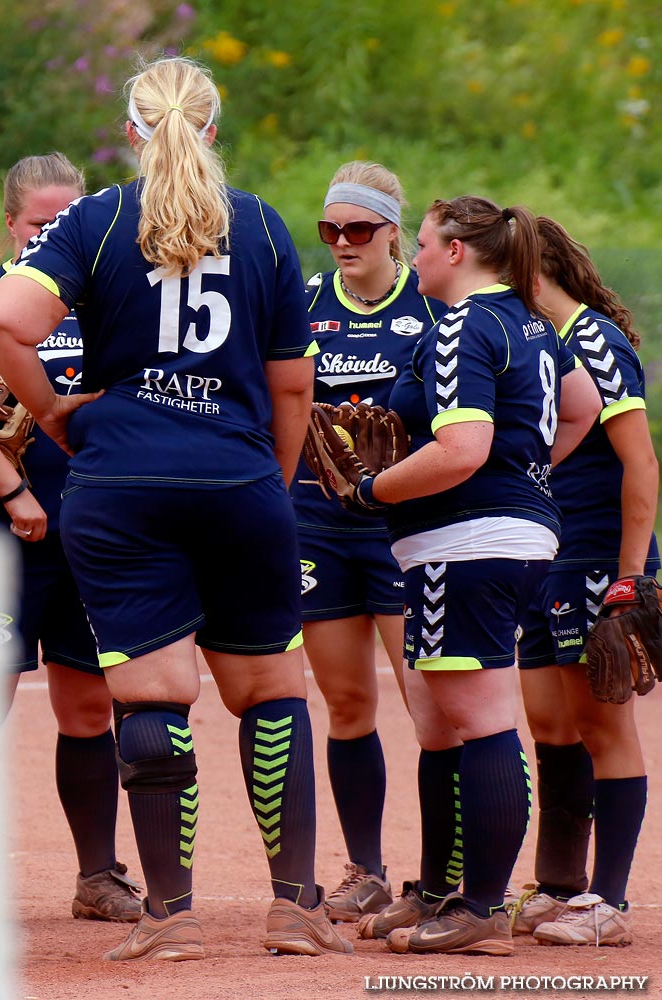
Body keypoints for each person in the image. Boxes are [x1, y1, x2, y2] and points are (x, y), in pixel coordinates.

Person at [0, 55, 352, 962]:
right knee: (269, 690)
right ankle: (295, 907)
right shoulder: (260, 225)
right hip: (238, 481)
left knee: (152, 694)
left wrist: (59, 415)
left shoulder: (98, 220)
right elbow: (292, 383)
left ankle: (169, 913)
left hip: (121, 486)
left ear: (133, 133)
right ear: (212, 129)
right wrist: (269, 474)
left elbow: (2, 321)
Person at [347, 196, 600, 956]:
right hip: (498, 538)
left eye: (422, 245)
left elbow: (460, 449)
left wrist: (369, 491)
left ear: (457, 251)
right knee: (441, 720)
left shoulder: (461, 324)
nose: (415, 258)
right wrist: (526, 480)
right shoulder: (529, 321)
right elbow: (580, 407)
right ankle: (439, 890)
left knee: (482, 716)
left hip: (469, 544)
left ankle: (482, 907)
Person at [0, 152, 140, 927]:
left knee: (88, 705)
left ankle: (98, 876)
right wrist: (11, 492)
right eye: (39, 222)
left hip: (93, 530)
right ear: (12, 226)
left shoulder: (110, 299)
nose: (53, 232)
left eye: (65, 220)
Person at [291, 162, 446, 923]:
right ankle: (368, 869)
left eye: (358, 229)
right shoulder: (307, 302)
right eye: (332, 229)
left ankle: (446, 874)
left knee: (430, 705)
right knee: (347, 704)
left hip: (402, 526)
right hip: (317, 522)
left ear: (393, 231)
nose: (343, 242)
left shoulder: (429, 300)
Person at [508, 215, 656, 946]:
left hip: (595, 556)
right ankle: (563, 885)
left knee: (604, 725)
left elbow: (641, 464)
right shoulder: (539, 344)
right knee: (550, 722)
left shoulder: (591, 338)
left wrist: (631, 578)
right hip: (548, 556)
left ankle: (613, 904)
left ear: (532, 273)